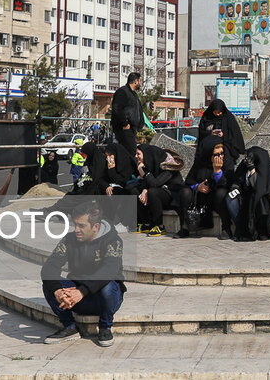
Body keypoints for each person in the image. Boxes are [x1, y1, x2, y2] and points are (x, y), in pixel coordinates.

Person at [41, 201, 125, 347]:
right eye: (75, 225)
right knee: (49, 283)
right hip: (76, 298)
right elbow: (50, 266)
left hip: (104, 299)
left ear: (96, 227)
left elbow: (109, 270)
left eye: (82, 226)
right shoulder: (69, 239)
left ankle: (105, 327)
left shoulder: (113, 241)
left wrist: (82, 291)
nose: (77, 230)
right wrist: (58, 291)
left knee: (109, 286)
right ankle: (69, 327)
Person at [180, 135, 235, 239]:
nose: (220, 156)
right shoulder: (200, 162)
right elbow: (189, 180)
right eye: (216, 154)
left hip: (216, 198)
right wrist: (197, 186)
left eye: (222, 153)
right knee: (185, 192)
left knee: (221, 193)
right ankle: (184, 227)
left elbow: (227, 183)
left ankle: (226, 228)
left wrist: (217, 171)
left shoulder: (227, 162)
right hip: (201, 197)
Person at [226, 146, 270, 241]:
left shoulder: (263, 168)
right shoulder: (244, 165)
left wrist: (252, 170)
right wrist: (235, 188)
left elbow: (259, 187)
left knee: (260, 200)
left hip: (260, 198)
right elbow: (237, 179)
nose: (246, 159)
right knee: (231, 199)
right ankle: (241, 227)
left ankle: (260, 231)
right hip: (244, 194)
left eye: (249, 156)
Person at [132, 146, 185, 237]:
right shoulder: (152, 163)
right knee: (135, 190)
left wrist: (143, 172)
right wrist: (144, 189)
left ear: (148, 155)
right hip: (159, 193)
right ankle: (146, 224)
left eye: (138, 154)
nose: (136, 156)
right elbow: (148, 182)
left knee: (152, 192)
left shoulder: (169, 166)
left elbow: (155, 183)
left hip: (172, 195)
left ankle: (159, 226)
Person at [111, 72, 144, 156]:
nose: (140, 83)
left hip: (132, 129)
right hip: (124, 129)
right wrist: (125, 124)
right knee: (130, 152)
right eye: (140, 80)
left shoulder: (133, 94)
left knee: (130, 152)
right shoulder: (122, 92)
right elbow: (117, 108)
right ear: (136, 81)